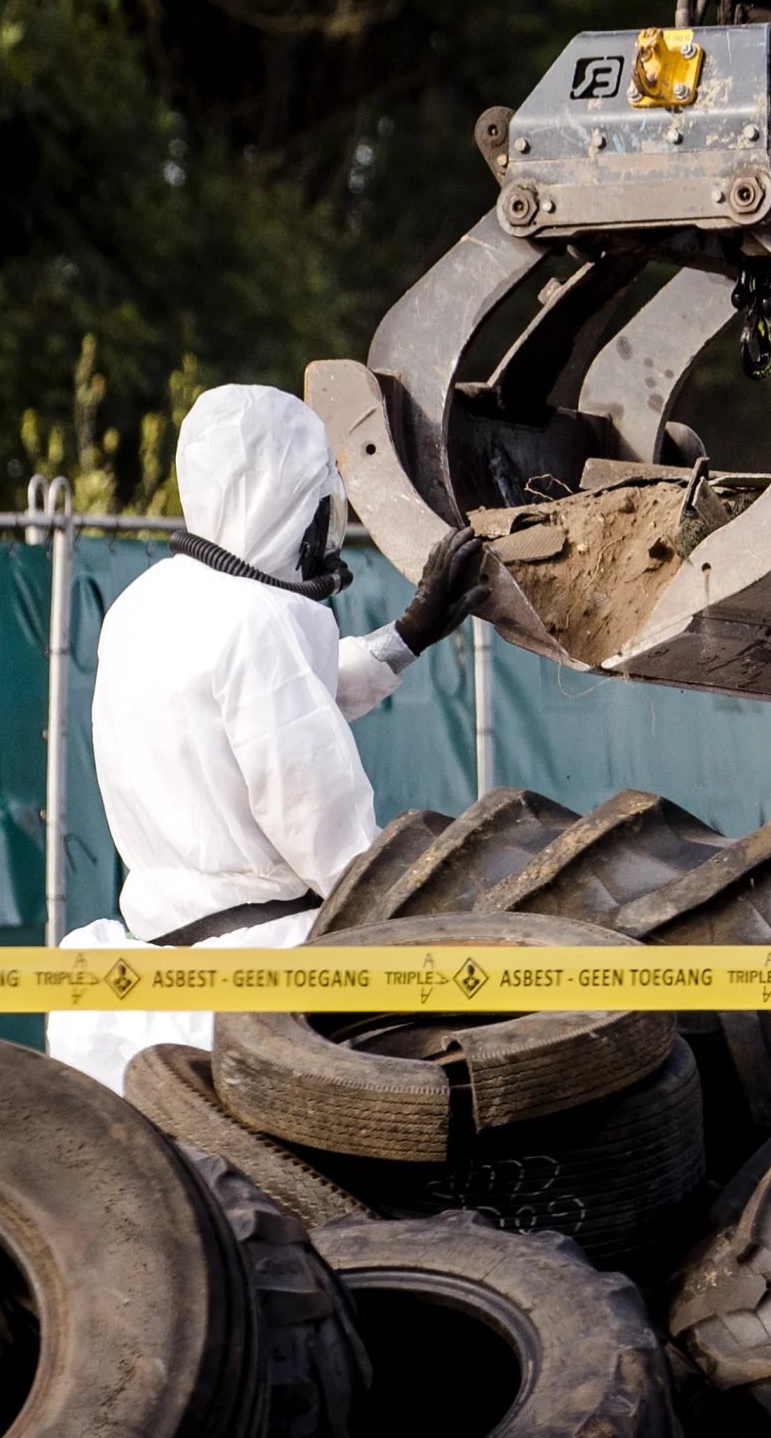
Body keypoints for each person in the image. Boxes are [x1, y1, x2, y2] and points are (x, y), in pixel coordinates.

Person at [45, 385, 489, 1091]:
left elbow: (264, 703)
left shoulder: (148, 605)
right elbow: (324, 827)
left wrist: (408, 635)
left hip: (166, 975)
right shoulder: (258, 622)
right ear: (289, 498)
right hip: (271, 980)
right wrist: (411, 924)